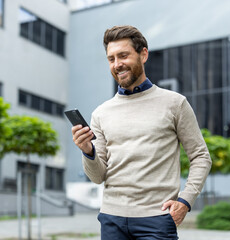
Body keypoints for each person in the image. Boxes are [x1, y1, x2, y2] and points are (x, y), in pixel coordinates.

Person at [71, 25, 212, 240]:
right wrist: (87, 151)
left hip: (157, 219)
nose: (117, 64)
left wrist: (185, 201)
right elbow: (98, 177)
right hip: (111, 219)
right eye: (111, 59)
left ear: (143, 54)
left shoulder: (175, 103)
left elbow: (201, 156)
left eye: (123, 55)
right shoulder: (101, 113)